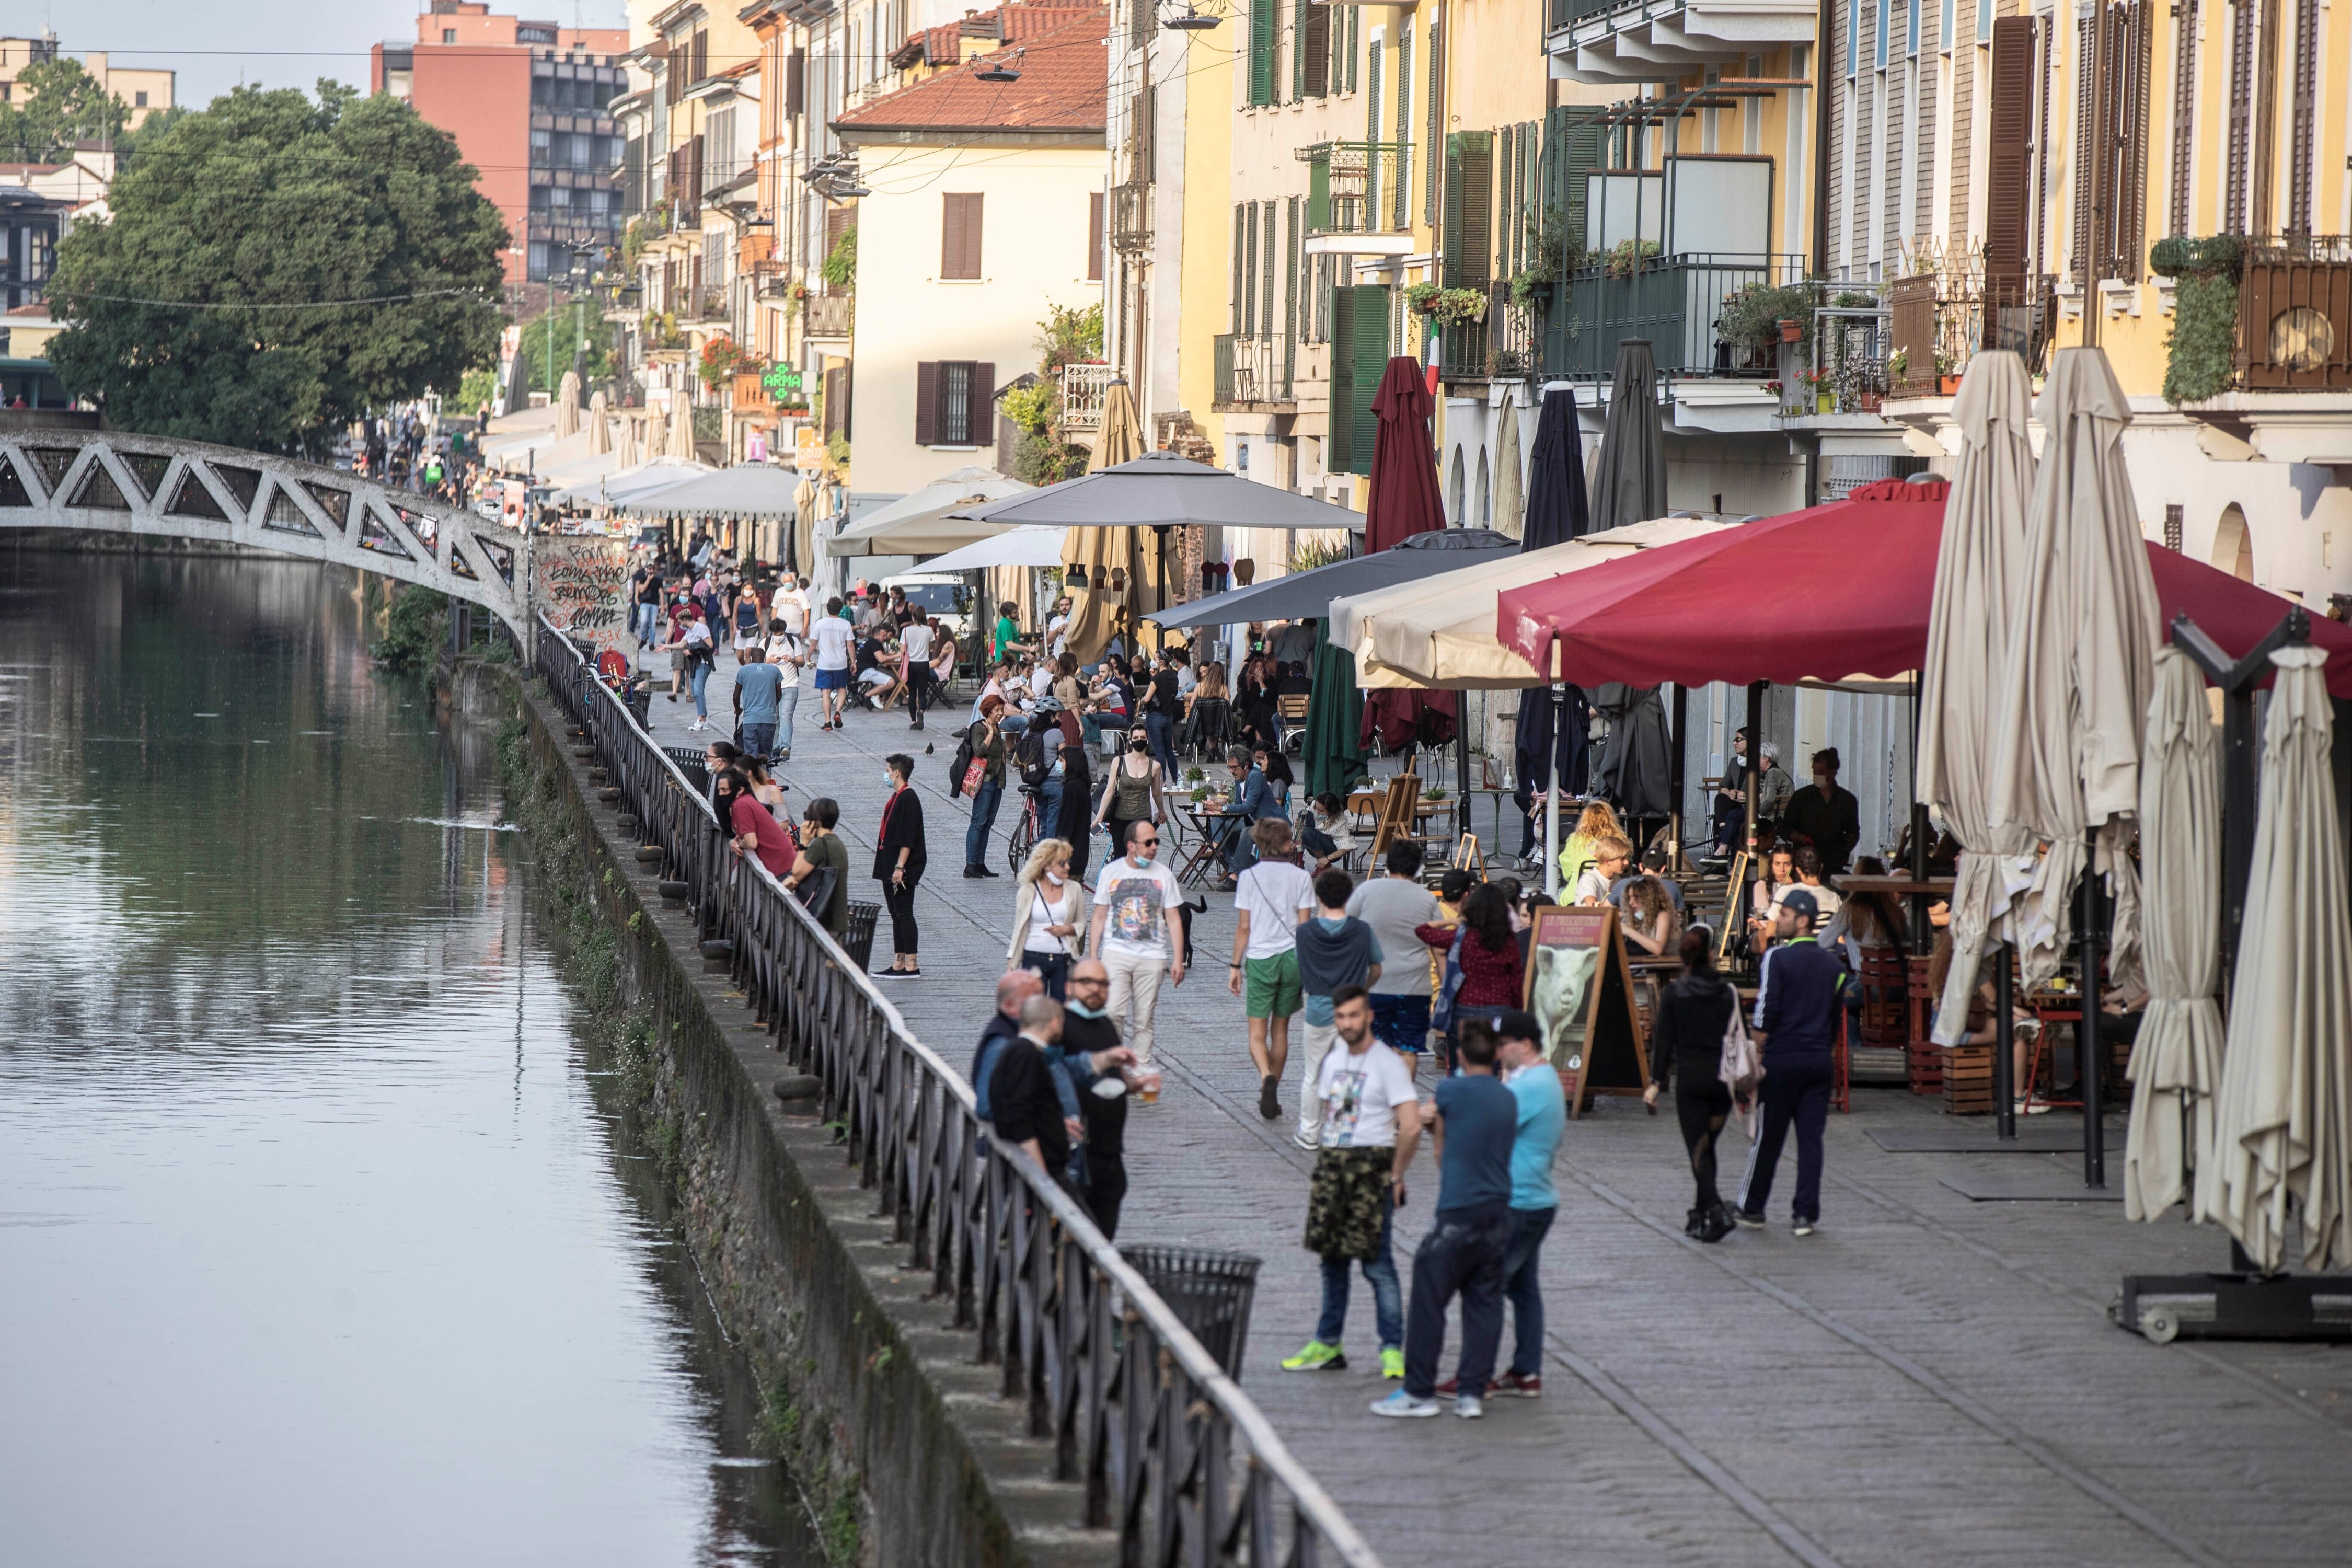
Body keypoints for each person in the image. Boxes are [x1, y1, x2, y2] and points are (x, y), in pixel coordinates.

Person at [1372, 1017, 1518, 1420]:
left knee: (1428, 1294)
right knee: (1483, 1302)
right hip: (1499, 1212)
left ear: (1458, 1055)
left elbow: (1429, 1134)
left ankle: (1419, 1390)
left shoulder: (1451, 1090)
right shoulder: (1509, 1099)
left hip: (1460, 1210)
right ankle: (1471, 1392)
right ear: (1496, 1056)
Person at [1284, 986, 1421, 1380]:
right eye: (1341, 1017)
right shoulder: (1334, 1059)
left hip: (1372, 1163)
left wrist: (1395, 1175)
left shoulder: (1389, 1064)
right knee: (1332, 1260)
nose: (1346, 1024)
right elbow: (1333, 1114)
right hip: (1334, 1163)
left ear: (1369, 1016)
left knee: (1378, 1265)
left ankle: (1392, 1350)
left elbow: (1411, 1127)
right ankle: (1328, 1343)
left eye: (1353, 1016)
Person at [1736, 889, 1845, 1236]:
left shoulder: (1777, 959)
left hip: (1783, 1059)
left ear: (1802, 920)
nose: (1777, 920)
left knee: (1768, 1138)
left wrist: (1755, 1053)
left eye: (1783, 915)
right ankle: (1805, 1215)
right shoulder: (1835, 965)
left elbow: (1767, 1011)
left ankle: (1753, 1208)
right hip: (1818, 1061)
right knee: (1811, 1141)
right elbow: (1834, 1016)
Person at [1644, 930, 1741, 1241]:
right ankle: (1700, 1215)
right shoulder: (1728, 992)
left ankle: (1715, 1210)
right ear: (1711, 956)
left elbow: (1664, 1042)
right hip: (1723, 1083)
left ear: (1682, 960)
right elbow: (1743, 1037)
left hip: (1692, 1082)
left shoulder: (1675, 994)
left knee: (1698, 1151)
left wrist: (1655, 1082)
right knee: (1708, 1147)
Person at [1488, 1010, 1565, 1397]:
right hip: (1532, 1198)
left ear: (1527, 1045)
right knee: (1523, 1287)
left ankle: (1477, 1375)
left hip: (1521, 1201)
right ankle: (1526, 1371)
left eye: (1503, 1046)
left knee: (1488, 1286)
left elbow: (1487, 1120)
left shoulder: (1532, 1085)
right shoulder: (1534, 1079)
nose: (1498, 1053)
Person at [1292, 869, 1385, 1150]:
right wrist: (1363, 990)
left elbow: (1299, 965)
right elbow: (1377, 968)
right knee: (1348, 1070)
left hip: (1319, 1008)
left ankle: (1309, 1131)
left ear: (1319, 896)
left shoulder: (1305, 933)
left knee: (1313, 1073)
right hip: (1353, 1010)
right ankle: (1343, 1127)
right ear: (1349, 897)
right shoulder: (1361, 930)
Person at [1231, 817, 1315, 1121]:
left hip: (1261, 959)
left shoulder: (1248, 878)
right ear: (1286, 844)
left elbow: (1244, 928)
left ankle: (1266, 1076)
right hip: (1292, 959)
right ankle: (1274, 1089)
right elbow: (1305, 926)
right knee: (1281, 1030)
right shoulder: (1302, 878)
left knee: (1257, 1033)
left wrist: (1234, 966)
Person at [1088, 819, 1187, 1071]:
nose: (1154, 847)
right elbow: (1099, 917)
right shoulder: (1112, 873)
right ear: (1131, 846)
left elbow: (1174, 919)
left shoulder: (1164, 875)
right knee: (1112, 1014)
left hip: (1151, 957)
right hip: (1116, 954)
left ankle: (1141, 1068)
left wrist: (1178, 958)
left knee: (1144, 1019)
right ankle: (1114, 1066)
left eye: (1156, 842)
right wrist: (1092, 957)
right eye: (1148, 843)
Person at [1060, 958, 1146, 1237]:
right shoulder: (1060, 1026)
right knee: (1077, 1237)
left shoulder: (1105, 1024)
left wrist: (1135, 1085)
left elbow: (1114, 1073)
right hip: (1078, 1153)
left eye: (1102, 984)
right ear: (1069, 987)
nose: (1095, 989)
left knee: (1103, 1233)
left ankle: (1094, 1279)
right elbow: (1049, 1076)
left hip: (1110, 1150)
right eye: (1087, 983)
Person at [1347, 840, 1440, 1070]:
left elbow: (1347, 927)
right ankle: (1403, 1098)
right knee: (1408, 1048)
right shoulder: (1427, 899)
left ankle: (1379, 1097)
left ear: (1388, 864)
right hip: (1415, 988)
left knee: (1375, 1046)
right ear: (1418, 867)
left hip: (1375, 985)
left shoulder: (1366, 891)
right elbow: (1439, 944)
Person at [1420, 884, 1519, 1067]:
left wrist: (1450, 923)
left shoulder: (1464, 936)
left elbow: (1423, 931)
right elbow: (1516, 981)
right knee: (1497, 1065)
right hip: (1499, 1007)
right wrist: (1516, 1011)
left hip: (1466, 1007)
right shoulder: (1509, 942)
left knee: (1461, 1063)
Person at [990, 995, 1081, 1191]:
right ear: (1055, 1023)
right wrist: (1043, 1181)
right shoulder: (1026, 1054)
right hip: (1044, 1171)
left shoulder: (1020, 1050)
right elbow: (1019, 1118)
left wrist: (1056, 1122)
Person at [1008, 837, 1088, 998]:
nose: (1068, 867)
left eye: (1067, 862)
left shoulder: (1074, 890)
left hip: (1064, 959)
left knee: (1061, 1011)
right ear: (1046, 866)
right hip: (1034, 957)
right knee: (1035, 1009)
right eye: (1062, 863)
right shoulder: (1028, 891)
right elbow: (1019, 929)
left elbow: (1081, 923)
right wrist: (1012, 965)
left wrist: (1068, 929)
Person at [875, 753, 927, 978]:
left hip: (901, 867)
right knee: (896, 913)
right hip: (890, 864)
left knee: (904, 913)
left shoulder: (908, 798)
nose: (886, 773)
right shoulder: (897, 797)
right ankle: (899, 961)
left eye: (888, 769)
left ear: (896, 773)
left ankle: (911, 964)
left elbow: (908, 837)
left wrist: (900, 867)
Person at [972, 969, 1046, 1124]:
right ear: (1010, 1006)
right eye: (1034, 999)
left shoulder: (1029, 1033)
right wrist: (1042, 1117)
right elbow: (986, 1107)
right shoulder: (1001, 1045)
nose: (1043, 1005)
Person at [1781, 747, 1861, 875]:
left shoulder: (1847, 800)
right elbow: (1786, 829)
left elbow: (1853, 832)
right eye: (1815, 771)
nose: (1817, 776)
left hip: (1833, 865)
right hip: (1805, 865)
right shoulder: (1802, 797)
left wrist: (1845, 851)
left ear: (1833, 772)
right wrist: (1801, 838)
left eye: (1822, 772)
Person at [1093, 735, 1166, 867]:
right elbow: (1109, 792)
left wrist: (1161, 812)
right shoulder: (1121, 763)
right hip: (1130, 817)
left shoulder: (1153, 767)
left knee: (1133, 855)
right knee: (1126, 855)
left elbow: (1156, 794)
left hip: (1142, 816)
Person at [786, 796, 851, 939]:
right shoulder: (836, 842)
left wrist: (803, 843)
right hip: (835, 920)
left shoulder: (819, 845)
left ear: (816, 821)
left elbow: (796, 873)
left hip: (825, 923)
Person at [665, 605, 718, 733]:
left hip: (704, 662)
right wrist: (666, 646)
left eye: (680, 622)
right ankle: (703, 720)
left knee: (698, 690)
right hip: (695, 663)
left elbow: (710, 644)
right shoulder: (689, 632)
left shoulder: (701, 628)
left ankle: (701, 719)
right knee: (694, 692)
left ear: (685, 620)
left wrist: (692, 650)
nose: (679, 625)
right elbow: (680, 644)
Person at [1557, 799, 1627, 893]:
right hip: (1613, 893)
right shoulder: (1620, 840)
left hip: (1578, 892)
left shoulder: (1575, 840)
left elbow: (1567, 870)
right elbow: (1627, 868)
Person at [732, 644, 785, 762]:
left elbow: (736, 695)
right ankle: (766, 776)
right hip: (768, 720)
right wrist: (770, 705)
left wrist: (738, 709)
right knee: (766, 755)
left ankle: (753, 777)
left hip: (750, 720)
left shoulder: (743, 670)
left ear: (750, 659)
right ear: (765, 658)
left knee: (751, 755)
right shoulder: (774, 670)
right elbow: (779, 695)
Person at [1052, 741, 1096, 883]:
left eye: (1061, 760)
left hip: (1070, 855)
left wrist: (1059, 854)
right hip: (1079, 853)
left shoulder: (1072, 788)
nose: (1058, 764)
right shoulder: (1082, 786)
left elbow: (1067, 824)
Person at [811, 595, 854, 730]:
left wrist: (808, 657)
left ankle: (827, 721)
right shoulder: (846, 624)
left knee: (826, 692)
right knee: (842, 689)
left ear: (827, 608)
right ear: (840, 609)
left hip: (825, 664)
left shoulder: (820, 623)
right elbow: (850, 645)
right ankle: (838, 712)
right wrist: (853, 662)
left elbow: (813, 643)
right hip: (841, 663)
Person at [1710, 727, 1751, 858]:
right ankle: (1723, 832)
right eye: (1734, 740)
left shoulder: (1759, 764)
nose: (1734, 743)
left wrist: (1746, 796)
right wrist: (1731, 793)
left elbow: (1764, 791)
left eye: (1738, 740)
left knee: (1728, 818)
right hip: (1735, 804)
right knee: (1720, 799)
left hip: (1749, 807)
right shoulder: (1735, 763)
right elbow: (1724, 786)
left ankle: (1721, 854)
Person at [1618, 873, 1679, 956]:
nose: (1631, 903)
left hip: (1665, 966)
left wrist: (1629, 931)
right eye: (1629, 898)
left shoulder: (1663, 916)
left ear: (1649, 898)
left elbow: (1658, 949)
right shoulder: (1636, 917)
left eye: (1636, 897)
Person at [1298, 792, 1356, 874]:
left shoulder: (1341, 821)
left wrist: (1328, 859)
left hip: (1330, 849)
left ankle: (1324, 866)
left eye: (1321, 811)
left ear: (1331, 812)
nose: (1317, 811)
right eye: (1316, 808)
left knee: (1307, 832)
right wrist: (1301, 824)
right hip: (1314, 841)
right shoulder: (1315, 805)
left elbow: (1347, 847)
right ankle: (1299, 859)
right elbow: (1307, 817)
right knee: (1304, 814)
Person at [898, 610, 936, 730]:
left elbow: (903, 651)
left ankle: (913, 721)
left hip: (911, 665)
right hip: (924, 664)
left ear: (913, 618)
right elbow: (931, 647)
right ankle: (921, 712)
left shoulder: (906, 630)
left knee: (912, 693)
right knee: (923, 693)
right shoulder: (929, 630)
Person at [1573, 833, 1632, 905]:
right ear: (1607, 862)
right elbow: (1592, 907)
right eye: (1622, 859)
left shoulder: (1616, 879)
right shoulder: (1589, 880)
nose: (1627, 863)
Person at [1752, 740, 1796, 826]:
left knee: (1739, 818)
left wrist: (1759, 811)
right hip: (1783, 816)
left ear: (1766, 758)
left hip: (1779, 819)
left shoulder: (1772, 773)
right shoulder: (1776, 772)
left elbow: (1770, 799)